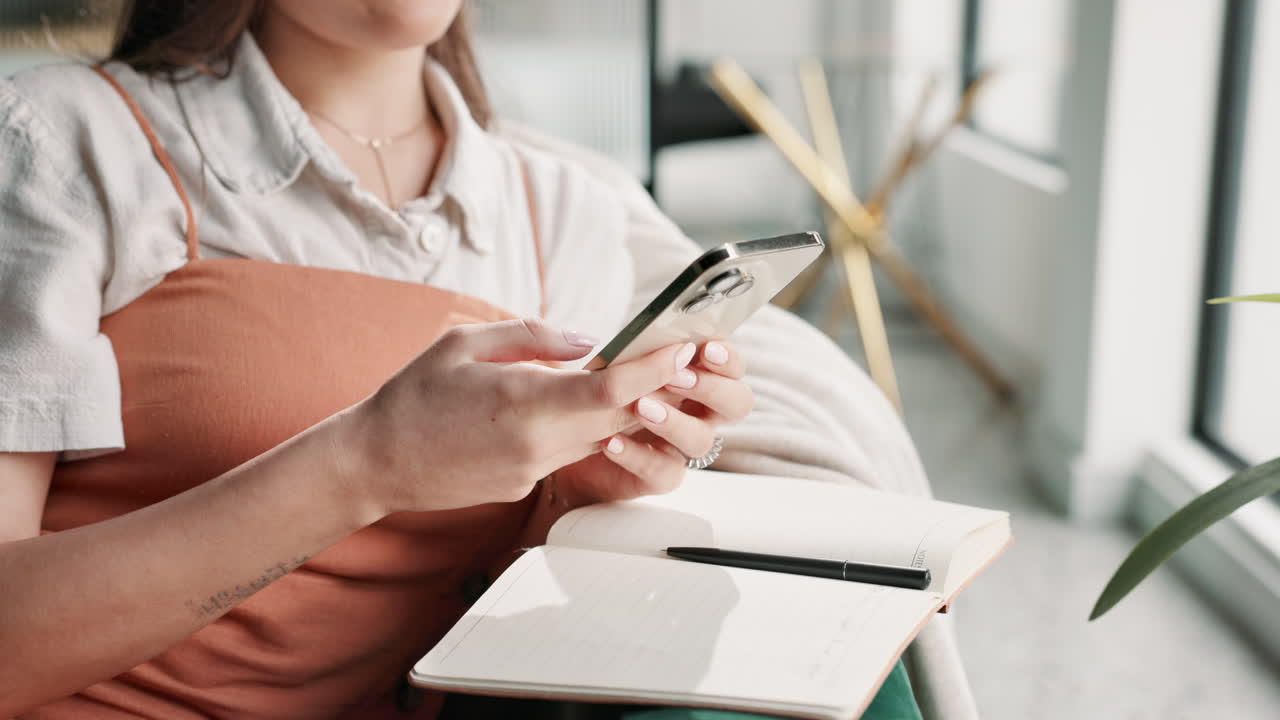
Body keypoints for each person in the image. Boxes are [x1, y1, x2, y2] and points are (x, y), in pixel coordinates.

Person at [0, 2, 958, 718]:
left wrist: (587, 487)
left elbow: (511, 606)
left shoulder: (559, 209)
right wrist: (365, 462)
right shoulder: (62, 141)